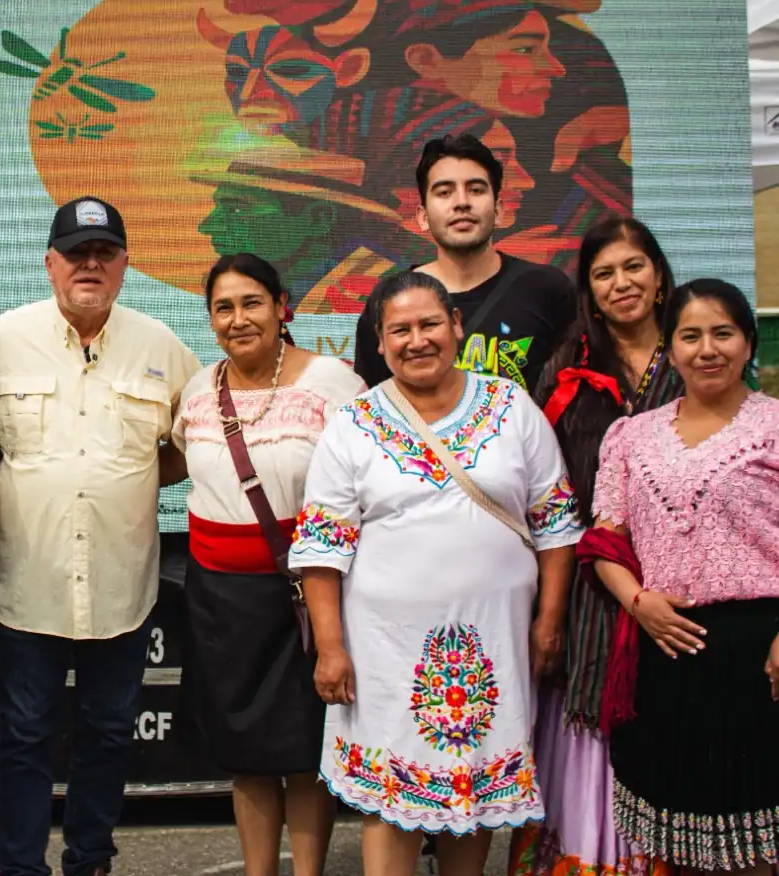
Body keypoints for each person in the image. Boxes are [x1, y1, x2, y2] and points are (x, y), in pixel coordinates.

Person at [293, 271, 582, 876]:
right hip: (386, 653)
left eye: (429, 324)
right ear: (380, 340)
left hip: (496, 644)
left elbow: (555, 522)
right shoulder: (355, 423)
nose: (416, 340)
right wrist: (329, 648)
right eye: (400, 329)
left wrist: (550, 621)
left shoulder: (511, 408)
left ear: (455, 327)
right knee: (393, 802)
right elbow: (322, 548)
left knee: (474, 792)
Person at [0, 196, 202, 876]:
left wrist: (136, 479)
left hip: (123, 588)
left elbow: (190, 442)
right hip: (25, 585)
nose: (90, 265)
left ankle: (90, 858)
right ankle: (22, 868)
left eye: (105, 253)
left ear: (125, 264)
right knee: (25, 738)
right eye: (76, 253)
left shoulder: (162, 347)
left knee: (108, 734)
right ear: (50, 263)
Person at [171, 253, 362, 876]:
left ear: (283, 308)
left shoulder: (333, 382)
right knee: (245, 750)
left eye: (251, 303)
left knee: (303, 747)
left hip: (306, 595)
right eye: (222, 307)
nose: (238, 319)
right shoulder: (199, 389)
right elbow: (184, 464)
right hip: (219, 599)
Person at [587, 278, 779, 875]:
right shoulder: (632, 434)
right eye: (690, 336)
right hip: (663, 647)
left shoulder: (775, 425)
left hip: (761, 654)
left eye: (722, 333)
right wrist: (638, 601)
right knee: (679, 838)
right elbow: (603, 541)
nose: (707, 350)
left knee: (756, 839)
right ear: (669, 349)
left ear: (748, 342)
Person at [508, 217, 682, 876]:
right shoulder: (566, 372)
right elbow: (542, 495)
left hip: (686, 587)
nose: (621, 284)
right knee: (592, 736)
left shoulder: (699, 353)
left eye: (633, 266)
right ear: (589, 290)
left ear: (659, 274)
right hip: (591, 598)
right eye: (604, 273)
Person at [353, 133, 576, 393]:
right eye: (445, 192)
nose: (461, 203)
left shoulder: (547, 290)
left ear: (499, 210)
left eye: (476, 190)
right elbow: (375, 406)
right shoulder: (391, 299)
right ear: (423, 217)